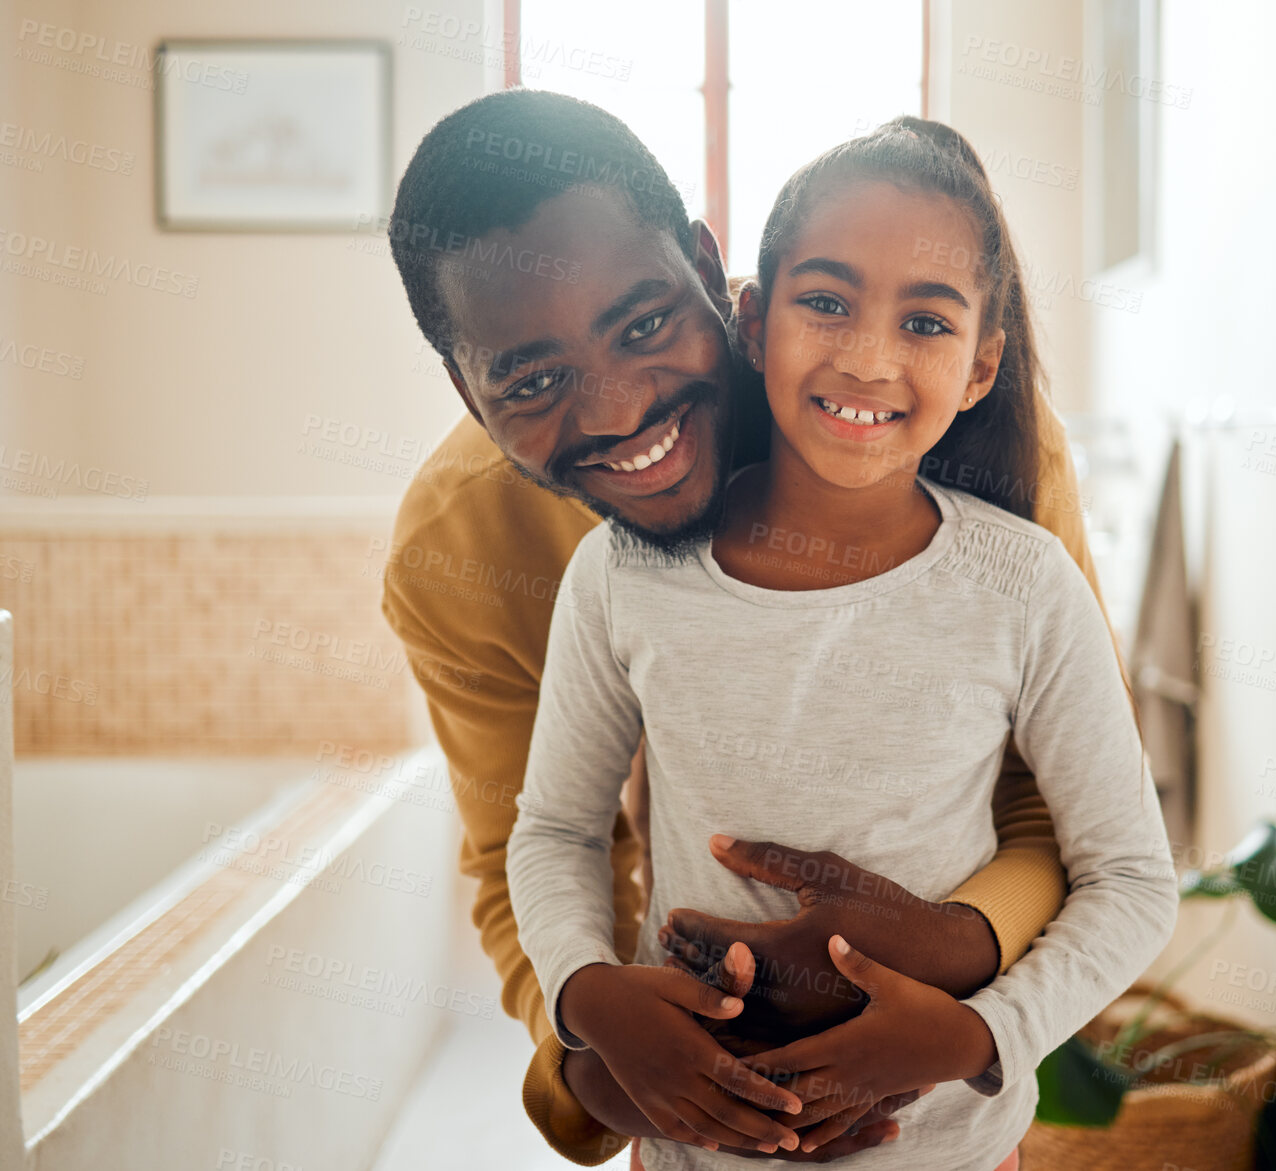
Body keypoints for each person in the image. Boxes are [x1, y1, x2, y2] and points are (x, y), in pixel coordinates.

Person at [382, 89, 1141, 1165]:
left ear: (708, 273)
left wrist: (945, 957)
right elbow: (538, 838)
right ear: (467, 391)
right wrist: (601, 1046)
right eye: (536, 381)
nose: (617, 412)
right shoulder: (461, 550)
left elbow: (1064, 817)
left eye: (645, 325)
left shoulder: (973, 449)